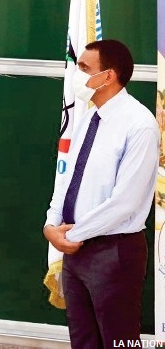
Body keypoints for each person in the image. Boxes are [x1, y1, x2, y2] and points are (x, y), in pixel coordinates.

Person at [43, 39, 157, 348]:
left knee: (119, 341)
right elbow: (66, 178)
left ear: (108, 75)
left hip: (114, 252)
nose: (76, 74)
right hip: (74, 249)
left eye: (83, 68)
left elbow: (125, 202)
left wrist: (72, 234)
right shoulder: (87, 118)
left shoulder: (140, 124)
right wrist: (51, 226)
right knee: (83, 340)